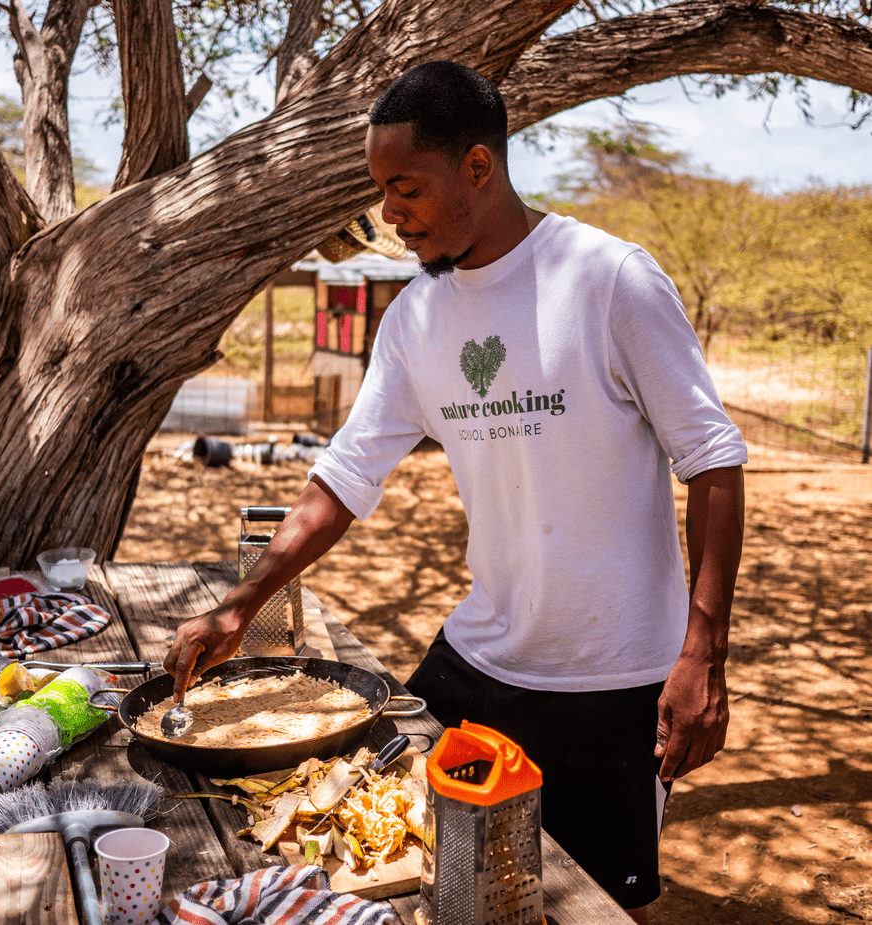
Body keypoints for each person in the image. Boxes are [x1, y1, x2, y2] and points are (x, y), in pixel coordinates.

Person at [164, 60, 747, 923]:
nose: (389, 215)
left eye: (405, 189)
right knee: (416, 871)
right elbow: (346, 476)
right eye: (380, 191)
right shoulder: (414, 320)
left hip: (612, 676)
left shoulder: (608, 280)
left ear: (478, 167)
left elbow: (713, 461)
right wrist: (241, 604)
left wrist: (702, 649)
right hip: (477, 662)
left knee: (581, 906)